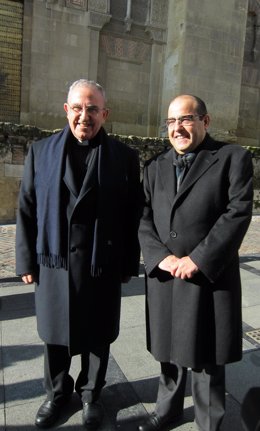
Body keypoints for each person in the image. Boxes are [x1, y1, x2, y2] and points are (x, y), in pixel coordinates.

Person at [16, 79, 140, 429]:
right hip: (54, 260)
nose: (85, 116)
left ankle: (91, 394)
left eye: (93, 109)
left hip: (102, 260)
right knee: (54, 334)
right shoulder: (41, 151)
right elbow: (26, 207)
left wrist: (130, 261)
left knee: (98, 335)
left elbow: (133, 213)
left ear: (105, 113)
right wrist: (25, 259)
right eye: (78, 108)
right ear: (66, 110)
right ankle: (56, 394)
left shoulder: (124, 157)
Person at [138, 94, 253, 431]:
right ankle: (168, 409)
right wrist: (161, 258)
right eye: (172, 121)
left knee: (207, 357)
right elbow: (142, 217)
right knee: (168, 350)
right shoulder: (155, 166)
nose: (178, 128)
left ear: (206, 120)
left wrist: (198, 259)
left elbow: (237, 212)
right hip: (166, 274)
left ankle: (208, 422)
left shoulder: (232, 158)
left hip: (208, 277)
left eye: (186, 119)